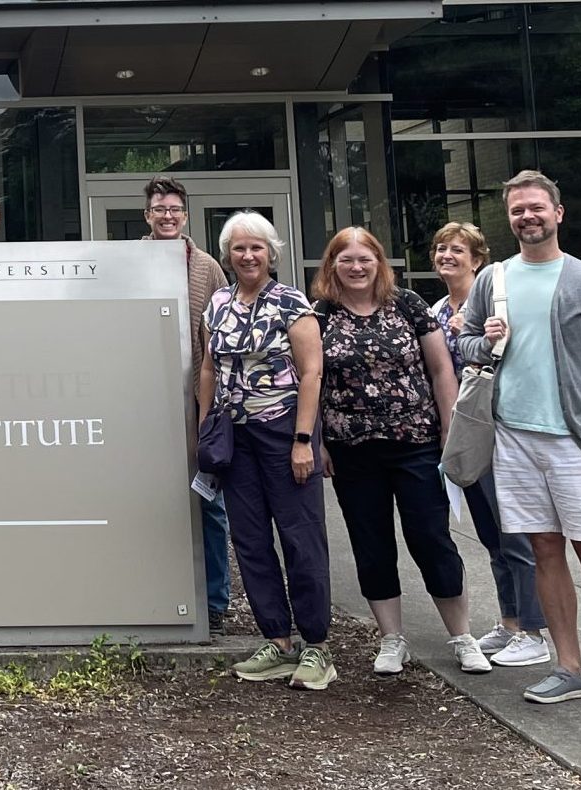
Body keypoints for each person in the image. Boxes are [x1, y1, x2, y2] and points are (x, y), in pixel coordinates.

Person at [457, 170, 581, 715]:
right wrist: (482, 344)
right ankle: (569, 668)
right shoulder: (494, 280)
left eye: (536, 208)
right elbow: (463, 343)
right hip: (513, 439)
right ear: (508, 219)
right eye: (517, 211)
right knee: (544, 551)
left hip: (573, 442)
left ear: (558, 213)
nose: (527, 217)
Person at [312, 228, 485, 676]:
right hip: (351, 449)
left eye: (364, 258)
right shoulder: (322, 315)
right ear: (332, 264)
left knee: (431, 537)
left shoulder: (408, 305)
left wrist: (450, 426)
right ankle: (392, 639)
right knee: (371, 543)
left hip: (416, 444)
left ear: (379, 262)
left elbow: (441, 368)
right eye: (345, 259)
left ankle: (462, 636)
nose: (355, 267)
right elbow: (310, 380)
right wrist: (317, 441)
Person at [200, 210, 334, 690]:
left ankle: (316, 644)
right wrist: (205, 427)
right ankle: (276, 640)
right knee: (251, 540)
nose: (248, 255)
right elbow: (210, 368)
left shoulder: (291, 303)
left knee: (301, 538)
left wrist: (304, 441)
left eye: (257, 247)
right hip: (236, 437)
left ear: (271, 253)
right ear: (227, 254)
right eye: (239, 247)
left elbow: (312, 373)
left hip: (283, 432)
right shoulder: (216, 304)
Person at [429, 221, 551, 668]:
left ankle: (535, 630)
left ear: (477, 258)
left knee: (514, 529)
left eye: (457, 249)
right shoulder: (439, 307)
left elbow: (515, 351)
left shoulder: (497, 301)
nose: (447, 256)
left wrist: (478, 333)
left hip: (500, 422)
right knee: (489, 531)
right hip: (465, 428)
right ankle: (511, 620)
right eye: (441, 249)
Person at [143, 176, 232, 626]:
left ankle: (215, 601)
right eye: (159, 209)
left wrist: (210, 404)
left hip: (200, 400)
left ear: (185, 214)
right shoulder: (131, 262)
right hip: (142, 400)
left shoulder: (208, 267)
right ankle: (152, 589)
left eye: (174, 209)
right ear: (147, 215)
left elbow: (218, 336)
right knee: (147, 497)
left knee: (208, 501)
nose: (167, 216)